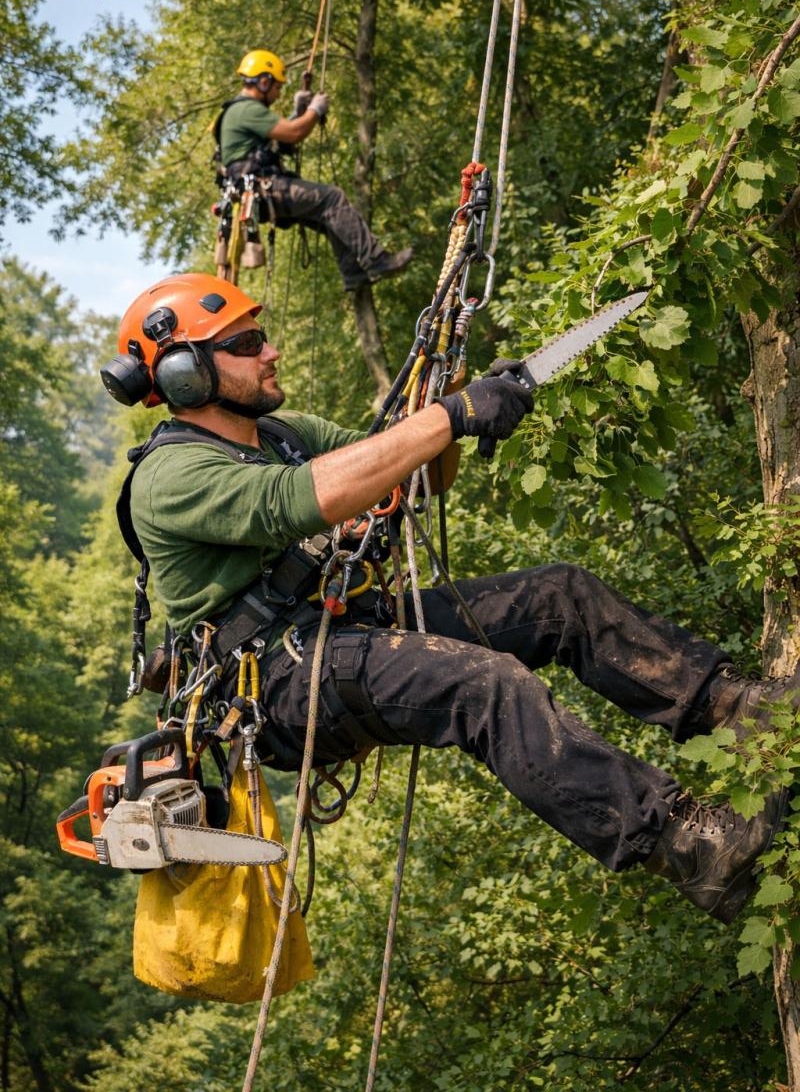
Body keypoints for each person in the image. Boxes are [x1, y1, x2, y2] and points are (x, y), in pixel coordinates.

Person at [103, 272, 798, 927]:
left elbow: (413, 478)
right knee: (483, 685)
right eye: (248, 345)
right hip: (278, 680)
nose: (271, 351)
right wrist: (447, 415)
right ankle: (693, 849)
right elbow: (305, 499)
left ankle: (732, 710)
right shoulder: (170, 476)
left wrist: (454, 398)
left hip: (346, 625)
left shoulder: (285, 435)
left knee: (560, 596)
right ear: (184, 374)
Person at [215, 49, 413, 292]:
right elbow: (293, 133)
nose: (278, 93)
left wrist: (299, 112)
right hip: (261, 189)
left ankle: (354, 275)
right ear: (264, 82)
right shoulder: (247, 109)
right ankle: (376, 260)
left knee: (329, 217)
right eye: (277, 87)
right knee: (332, 198)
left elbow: (282, 141)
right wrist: (314, 110)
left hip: (259, 193)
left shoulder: (241, 111)